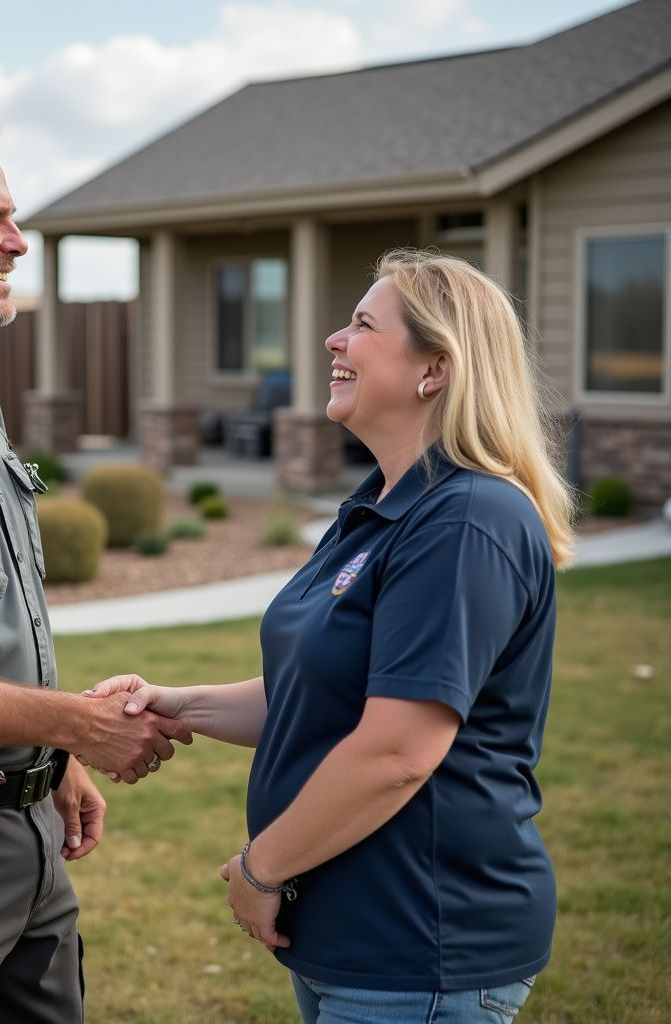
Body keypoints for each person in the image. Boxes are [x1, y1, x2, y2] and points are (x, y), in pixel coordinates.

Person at [94, 248, 575, 1024]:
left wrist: (260, 871)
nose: (331, 341)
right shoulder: (379, 507)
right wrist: (171, 702)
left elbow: (394, 752)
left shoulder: (465, 519)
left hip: (419, 940)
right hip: (350, 933)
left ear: (436, 370)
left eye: (361, 325)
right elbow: (325, 693)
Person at [0, 165, 193, 1024]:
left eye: (13, 219)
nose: (16, 245)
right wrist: (75, 725)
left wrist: (55, 757)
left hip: (32, 831)